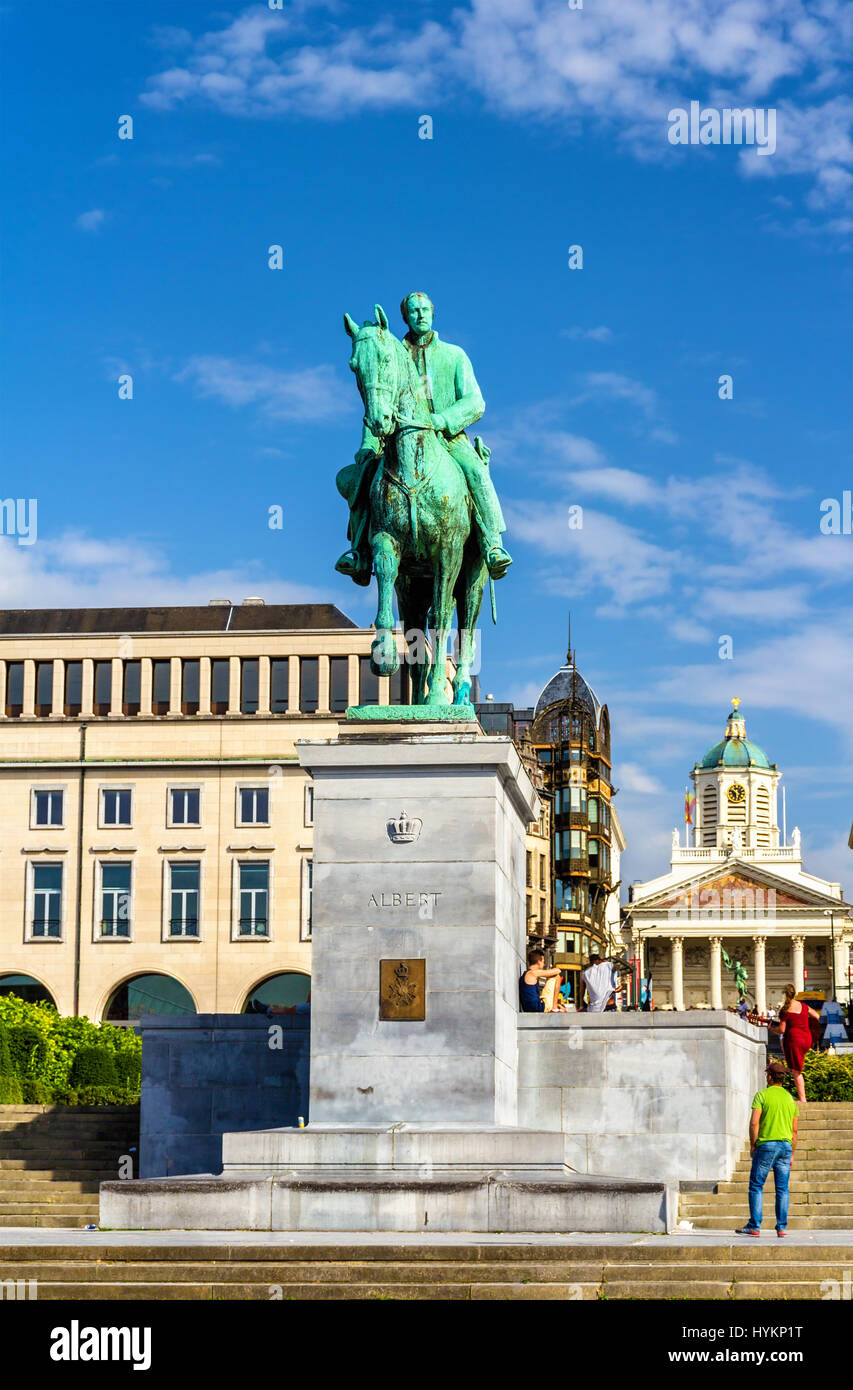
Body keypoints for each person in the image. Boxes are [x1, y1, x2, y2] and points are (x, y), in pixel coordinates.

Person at [335, 291, 512, 585]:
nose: (420, 315)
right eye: (414, 311)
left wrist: (441, 420)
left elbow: (475, 402)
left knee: (476, 472)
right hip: (394, 441)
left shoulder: (454, 355)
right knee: (364, 479)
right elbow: (376, 396)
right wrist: (369, 443)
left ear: (433, 312)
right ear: (404, 317)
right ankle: (359, 552)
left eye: (425, 310)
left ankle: (492, 543)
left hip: (448, 438)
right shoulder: (390, 350)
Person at [735, 1060, 798, 1238]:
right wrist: (792, 1152)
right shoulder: (790, 1099)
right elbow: (794, 1130)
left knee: (756, 1185)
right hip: (786, 1146)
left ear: (769, 1077)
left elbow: (754, 1122)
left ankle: (754, 1225)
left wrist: (753, 1144)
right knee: (782, 1189)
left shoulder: (762, 1095)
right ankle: (782, 1227)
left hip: (767, 1145)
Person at [771, 983, 820, 1103]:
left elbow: (782, 1030)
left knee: (797, 1071)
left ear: (784, 995)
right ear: (794, 994)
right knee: (794, 1066)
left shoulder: (785, 1010)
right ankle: (788, 1068)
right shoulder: (803, 1006)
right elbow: (816, 1015)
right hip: (806, 1039)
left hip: (794, 1040)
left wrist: (771, 1029)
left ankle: (803, 1099)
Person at [519, 949, 562, 1013]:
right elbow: (557, 971)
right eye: (543, 961)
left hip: (529, 1008)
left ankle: (555, 1006)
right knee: (557, 976)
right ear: (539, 962)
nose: (544, 964)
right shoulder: (533, 973)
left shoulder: (527, 974)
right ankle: (554, 1007)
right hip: (538, 1007)